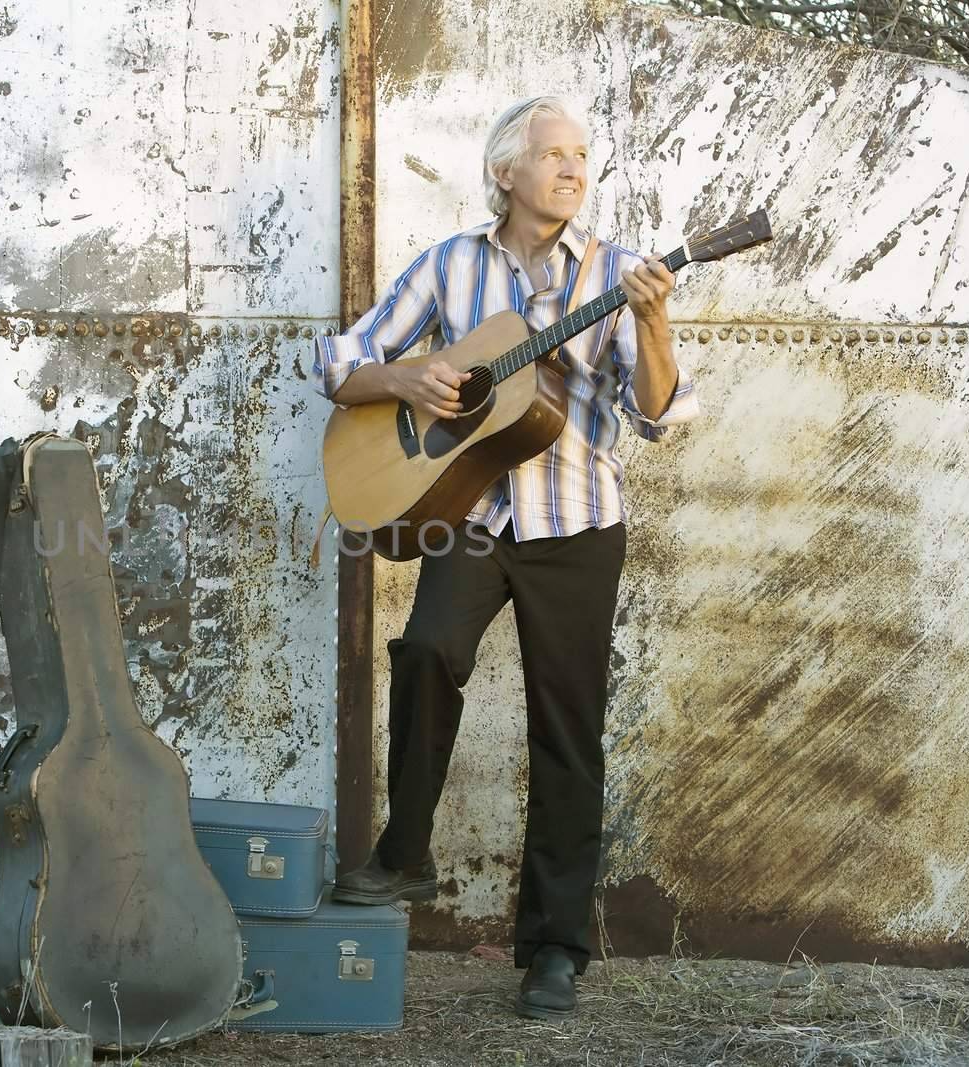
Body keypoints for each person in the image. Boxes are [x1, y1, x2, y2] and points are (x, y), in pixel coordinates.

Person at [311, 96, 699, 1020]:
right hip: (473, 514)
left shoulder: (613, 273)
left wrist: (652, 325)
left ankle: (555, 947)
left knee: (566, 731)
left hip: (577, 525)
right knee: (427, 649)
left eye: (581, 157)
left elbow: (656, 414)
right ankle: (405, 851)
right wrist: (409, 376)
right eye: (552, 155)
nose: (572, 170)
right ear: (505, 173)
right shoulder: (451, 265)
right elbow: (339, 362)